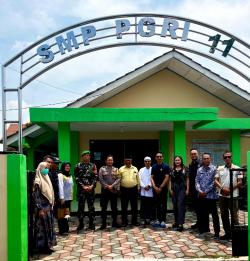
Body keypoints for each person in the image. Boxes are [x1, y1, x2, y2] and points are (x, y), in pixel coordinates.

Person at [215, 151, 242, 240]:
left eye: (229, 157)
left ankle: (236, 235)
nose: (227, 158)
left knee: (234, 215)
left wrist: (230, 189)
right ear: (223, 158)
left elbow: (240, 182)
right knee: (224, 215)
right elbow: (215, 180)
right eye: (225, 157)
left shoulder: (237, 168)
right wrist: (222, 189)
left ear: (231, 157)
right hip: (222, 196)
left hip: (233, 195)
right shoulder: (219, 168)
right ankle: (227, 233)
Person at [33, 161, 57, 254]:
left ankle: (49, 246)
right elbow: (36, 196)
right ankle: (42, 248)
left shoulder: (47, 178)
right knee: (43, 229)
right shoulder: (37, 181)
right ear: (40, 169)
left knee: (49, 227)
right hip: (42, 208)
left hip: (48, 207)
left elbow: (50, 192)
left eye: (47, 168)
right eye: (44, 168)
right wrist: (39, 209)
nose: (46, 170)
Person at [195, 153, 220, 238]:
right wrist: (200, 191)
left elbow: (214, 182)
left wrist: (205, 191)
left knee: (214, 215)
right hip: (201, 195)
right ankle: (204, 229)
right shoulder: (199, 169)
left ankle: (217, 232)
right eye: (204, 158)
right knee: (203, 214)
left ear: (210, 159)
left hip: (211, 196)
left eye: (207, 158)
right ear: (202, 159)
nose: (206, 160)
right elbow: (197, 181)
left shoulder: (214, 169)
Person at [74, 150, 97, 231]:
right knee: (81, 208)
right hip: (81, 191)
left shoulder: (93, 165)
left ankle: (91, 224)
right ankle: (81, 224)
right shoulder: (78, 165)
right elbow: (76, 178)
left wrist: (91, 186)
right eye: (85, 155)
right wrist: (83, 186)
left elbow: (95, 177)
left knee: (91, 207)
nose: (87, 156)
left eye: (88, 155)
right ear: (82, 157)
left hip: (90, 190)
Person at [99, 155, 121, 229]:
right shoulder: (102, 169)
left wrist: (112, 186)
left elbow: (118, 179)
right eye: (108, 160)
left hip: (113, 191)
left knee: (114, 207)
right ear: (106, 161)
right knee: (103, 208)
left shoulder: (116, 169)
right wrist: (107, 186)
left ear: (113, 161)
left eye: (111, 160)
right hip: (105, 191)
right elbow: (100, 179)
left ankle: (114, 222)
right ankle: (103, 224)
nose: (110, 161)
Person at [169, 156, 189, 232]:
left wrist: (187, 189)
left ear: (181, 161)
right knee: (175, 205)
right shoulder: (172, 169)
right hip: (174, 188)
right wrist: (170, 188)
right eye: (176, 160)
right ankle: (176, 221)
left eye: (178, 160)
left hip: (182, 188)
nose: (177, 161)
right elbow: (170, 180)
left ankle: (181, 224)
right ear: (174, 161)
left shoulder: (185, 168)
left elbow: (187, 179)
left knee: (180, 205)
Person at [118, 155, 140, 227]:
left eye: (129, 160)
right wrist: (118, 189)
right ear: (124, 161)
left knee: (134, 206)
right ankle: (124, 221)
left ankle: (134, 221)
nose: (128, 161)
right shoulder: (121, 169)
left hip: (134, 189)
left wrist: (139, 188)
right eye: (126, 160)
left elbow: (138, 179)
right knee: (124, 206)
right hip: (124, 189)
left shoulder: (135, 169)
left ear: (131, 161)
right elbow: (118, 179)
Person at [151, 152, 170, 228]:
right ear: (155, 158)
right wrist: (155, 187)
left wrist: (161, 187)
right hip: (155, 189)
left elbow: (167, 177)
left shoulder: (166, 166)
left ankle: (163, 220)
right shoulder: (154, 167)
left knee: (164, 205)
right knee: (157, 205)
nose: (159, 158)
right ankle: (158, 219)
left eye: (160, 156)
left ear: (162, 157)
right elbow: (151, 177)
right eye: (157, 156)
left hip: (163, 189)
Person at [58, 162, 74, 235]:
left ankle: (66, 229)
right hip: (63, 199)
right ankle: (62, 230)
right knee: (61, 215)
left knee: (66, 214)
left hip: (68, 198)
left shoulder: (70, 175)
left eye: (69, 166)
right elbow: (60, 186)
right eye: (66, 166)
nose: (67, 167)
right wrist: (62, 197)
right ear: (63, 167)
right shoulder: (61, 175)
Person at [138, 156, 153, 226]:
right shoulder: (141, 170)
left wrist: (149, 185)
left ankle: (149, 219)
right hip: (143, 190)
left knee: (150, 205)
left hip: (150, 190)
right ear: (144, 162)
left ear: (150, 162)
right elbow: (139, 179)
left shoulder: (153, 169)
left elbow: (153, 179)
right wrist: (144, 186)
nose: (147, 162)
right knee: (143, 205)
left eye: (148, 161)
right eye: (146, 161)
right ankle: (143, 219)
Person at [188, 149, 201, 229]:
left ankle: (203, 224)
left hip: (200, 189)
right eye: (192, 154)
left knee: (201, 207)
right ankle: (198, 222)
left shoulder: (201, 164)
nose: (193, 155)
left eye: (195, 154)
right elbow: (191, 177)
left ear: (197, 154)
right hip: (193, 189)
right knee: (196, 207)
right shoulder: (191, 164)